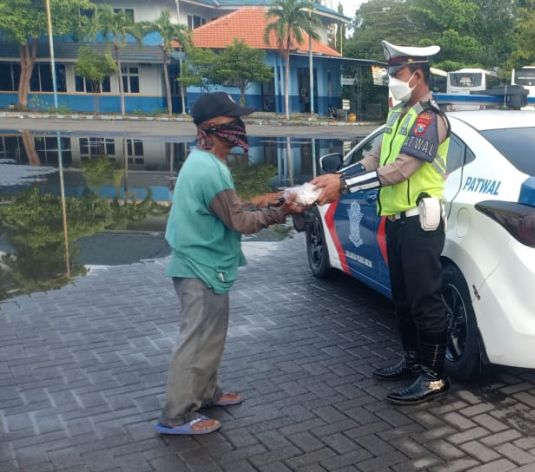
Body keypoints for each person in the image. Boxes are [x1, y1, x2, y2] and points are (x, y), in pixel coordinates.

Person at [154, 92, 305, 435]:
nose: (239, 127)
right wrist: (280, 212)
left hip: (206, 265)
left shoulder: (207, 162)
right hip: (198, 267)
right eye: (232, 121)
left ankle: (207, 394)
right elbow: (239, 223)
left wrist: (272, 202)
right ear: (210, 128)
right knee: (195, 340)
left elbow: (231, 211)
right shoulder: (208, 169)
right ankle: (174, 416)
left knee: (211, 338)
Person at [311, 40, 451, 405]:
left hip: (422, 223)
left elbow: (402, 168)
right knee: (402, 299)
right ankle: (412, 360)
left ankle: (434, 376)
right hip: (396, 221)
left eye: (396, 73)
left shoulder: (429, 119)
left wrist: (342, 185)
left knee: (426, 301)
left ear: (416, 75)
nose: (391, 79)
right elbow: (374, 159)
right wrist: (338, 177)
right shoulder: (399, 116)